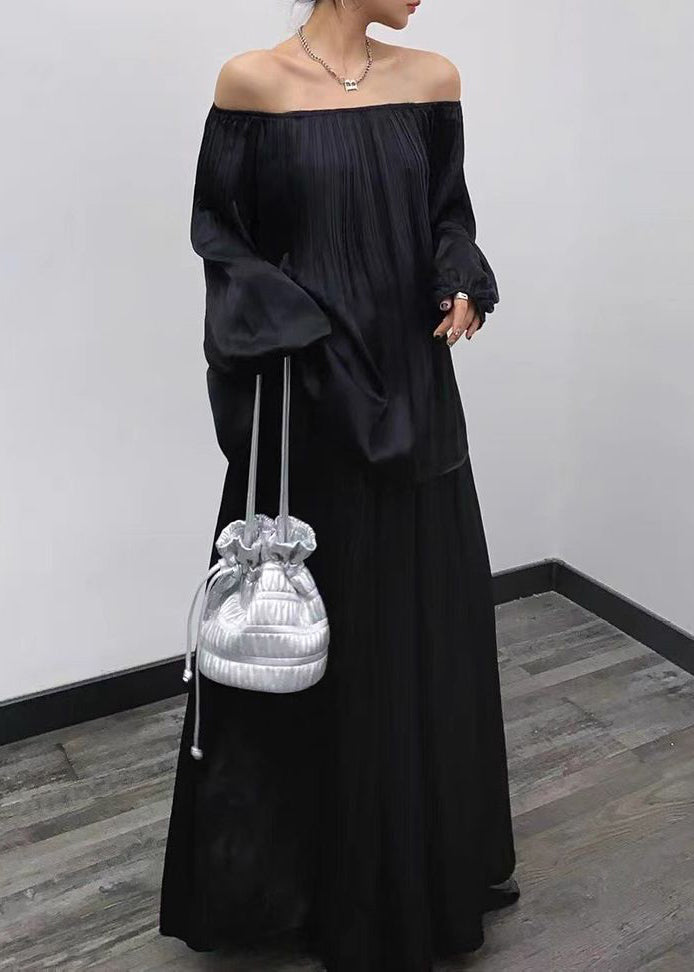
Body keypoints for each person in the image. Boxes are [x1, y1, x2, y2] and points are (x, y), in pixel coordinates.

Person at [159, 0, 519, 969]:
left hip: (413, 396)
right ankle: (298, 885)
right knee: (307, 638)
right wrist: (304, 331)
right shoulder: (251, 85)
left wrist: (459, 275)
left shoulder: (431, 80)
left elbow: (447, 214)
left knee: (417, 627)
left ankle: (409, 875)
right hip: (311, 409)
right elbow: (221, 241)